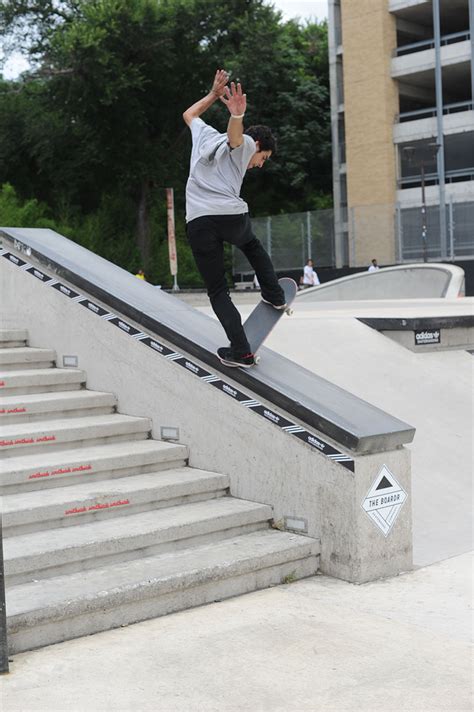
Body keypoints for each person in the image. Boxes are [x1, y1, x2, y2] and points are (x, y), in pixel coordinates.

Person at [183, 69, 286, 368]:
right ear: (260, 147)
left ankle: (241, 352)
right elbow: (236, 139)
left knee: (217, 290)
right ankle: (275, 294)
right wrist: (237, 116)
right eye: (263, 159)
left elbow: (189, 114)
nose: (258, 165)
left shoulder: (203, 134)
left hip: (199, 222)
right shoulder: (248, 143)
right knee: (252, 246)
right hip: (229, 215)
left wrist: (213, 95)